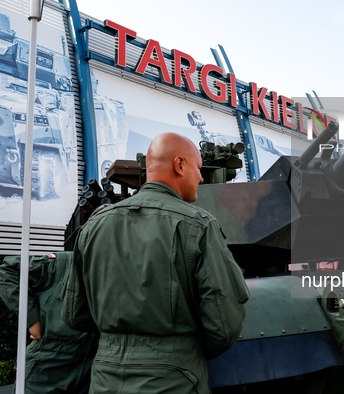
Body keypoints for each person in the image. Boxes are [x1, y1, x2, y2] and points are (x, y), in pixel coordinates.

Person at [62, 132, 249, 394]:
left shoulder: (93, 227)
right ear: (179, 165)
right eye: (197, 168)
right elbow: (225, 324)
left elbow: (74, 314)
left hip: (105, 379)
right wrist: (179, 353)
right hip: (173, 380)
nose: (201, 177)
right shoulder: (198, 224)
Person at [0, 252, 97, 393]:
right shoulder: (64, 263)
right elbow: (8, 271)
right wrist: (32, 320)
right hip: (48, 366)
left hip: (91, 369)